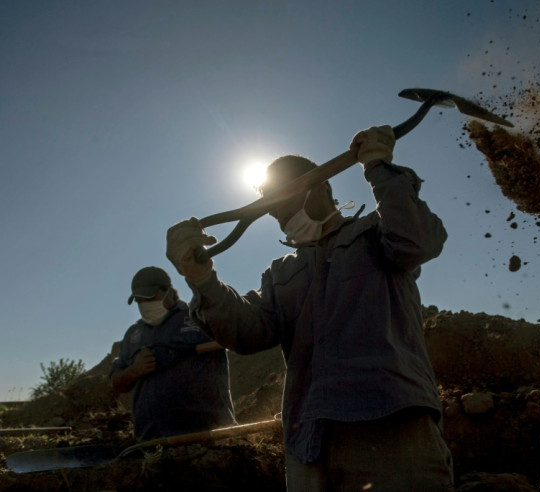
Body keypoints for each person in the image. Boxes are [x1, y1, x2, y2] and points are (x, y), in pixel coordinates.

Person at [166, 126, 454, 490]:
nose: (283, 217)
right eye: (275, 212)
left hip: (392, 428)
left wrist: (379, 167)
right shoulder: (282, 273)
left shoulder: (375, 234)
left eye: (287, 202)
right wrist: (202, 279)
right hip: (310, 441)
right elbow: (247, 332)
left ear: (324, 187)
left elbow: (417, 240)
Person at [110, 266, 236, 441]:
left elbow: (239, 335)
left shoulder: (199, 316)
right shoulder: (133, 335)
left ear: (169, 291)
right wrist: (133, 371)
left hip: (208, 438)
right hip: (152, 442)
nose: (145, 305)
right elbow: (116, 384)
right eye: (139, 301)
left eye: (150, 298)